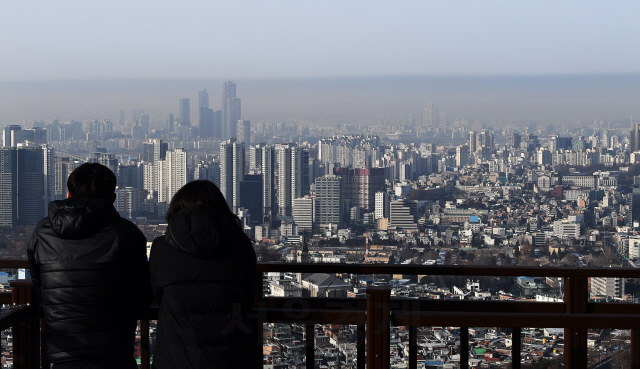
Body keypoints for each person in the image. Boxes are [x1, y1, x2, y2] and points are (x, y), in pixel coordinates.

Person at [27, 163, 153, 369]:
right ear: (112, 199)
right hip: (114, 353)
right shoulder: (126, 234)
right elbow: (142, 296)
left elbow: (41, 290)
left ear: (68, 195)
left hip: (63, 352)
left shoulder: (42, 233)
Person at [149, 180, 257, 369]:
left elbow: (157, 291)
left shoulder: (162, 247)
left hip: (176, 357)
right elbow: (248, 292)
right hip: (230, 355)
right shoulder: (241, 246)